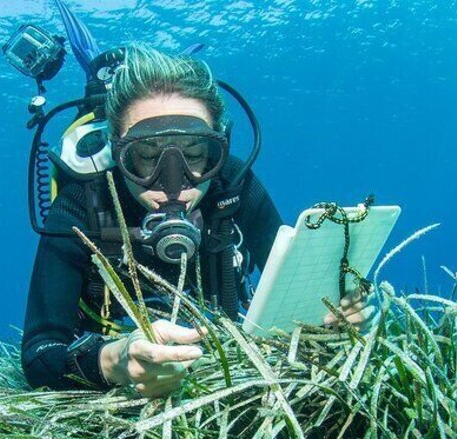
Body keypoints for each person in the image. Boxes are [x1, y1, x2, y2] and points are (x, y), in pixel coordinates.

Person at [21, 45, 372, 398]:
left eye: (194, 155)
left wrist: (336, 316)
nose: (174, 185)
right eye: (145, 157)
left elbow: (297, 295)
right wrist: (112, 361)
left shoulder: (234, 185)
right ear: (117, 153)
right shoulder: (83, 203)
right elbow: (39, 354)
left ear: (218, 149)